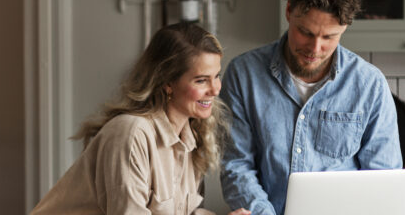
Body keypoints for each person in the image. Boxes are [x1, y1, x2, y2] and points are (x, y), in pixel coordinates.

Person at [219, 0, 402, 214]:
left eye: (329, 37)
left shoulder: (370, 85)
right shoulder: (243, 74)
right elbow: (236, 165)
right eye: (305, 32)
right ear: (288, 10)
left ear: (345, 27)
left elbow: (383, 179)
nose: (315, 49)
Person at [30, 23, 247, 215]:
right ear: (167, 82)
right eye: (201, 80)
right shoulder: (131, 134)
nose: (215, 89)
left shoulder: (192, 138)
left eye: (216, 76)